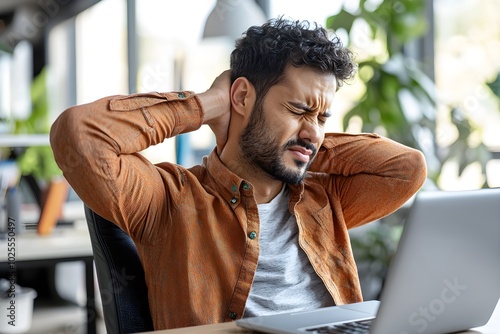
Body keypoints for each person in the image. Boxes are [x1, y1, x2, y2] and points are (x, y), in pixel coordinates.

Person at [50, 17, 426, 330]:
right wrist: (207, 106)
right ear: (243, 97)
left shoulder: (326, 200)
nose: (315, 131)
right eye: (298, 109)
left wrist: (296, 141)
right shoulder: (167, 198)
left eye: (322, 118)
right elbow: (79, 134)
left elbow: (406, 168)